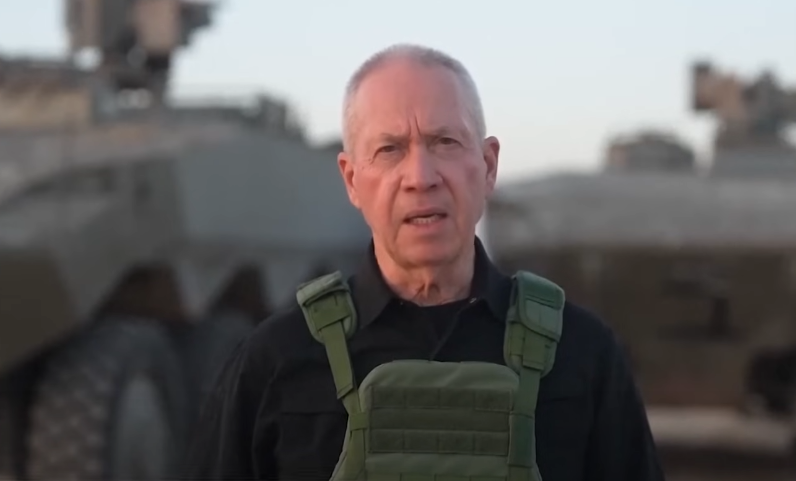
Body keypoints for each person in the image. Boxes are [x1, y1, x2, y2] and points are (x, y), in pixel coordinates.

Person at [184, 44, 665, 481]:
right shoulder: (275, 362)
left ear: (488, 165)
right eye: (389, 150)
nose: (420, 176)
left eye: (445, 142)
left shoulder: (582, 355)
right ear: (351, 180)